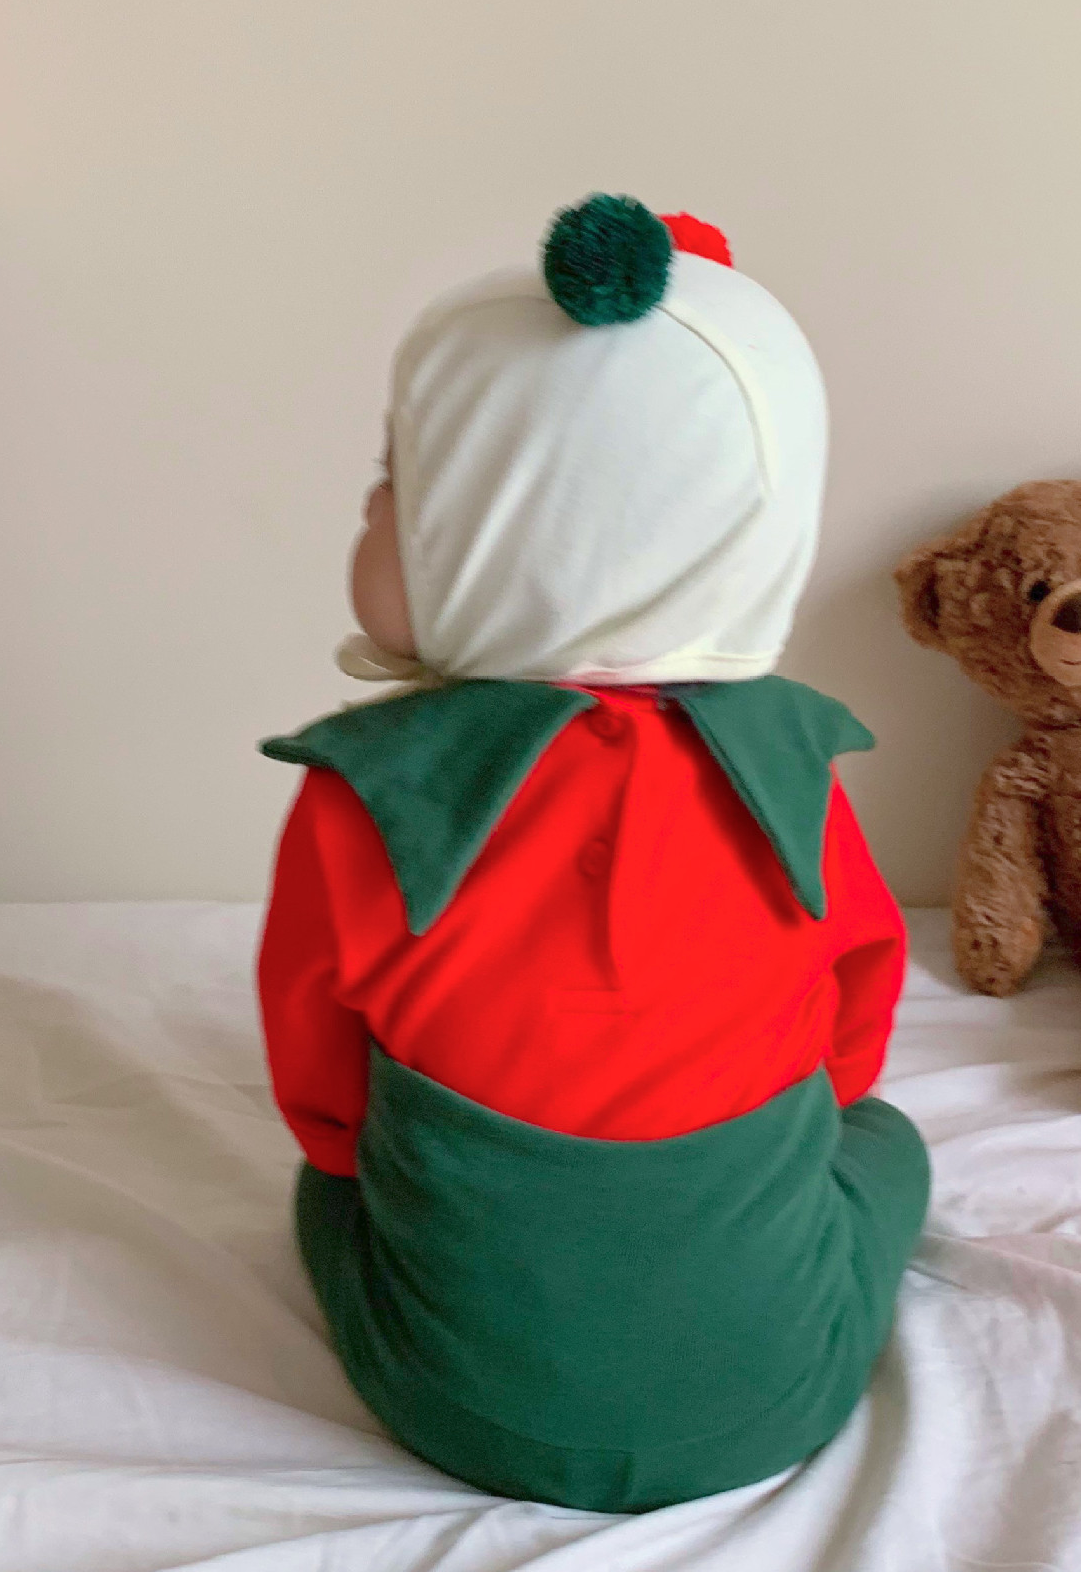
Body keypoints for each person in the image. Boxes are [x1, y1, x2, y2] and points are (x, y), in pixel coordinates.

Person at [256, 194, 929, 1513]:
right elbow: (858, 1006)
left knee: (326, 1196)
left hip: (448, 1403)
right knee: (887, 1143)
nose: (367, 518)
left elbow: (322, 1091)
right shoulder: (791, 771)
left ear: (509, 537)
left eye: (394, 491)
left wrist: (354, 1160)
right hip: (781, 1392)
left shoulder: (367, 797)